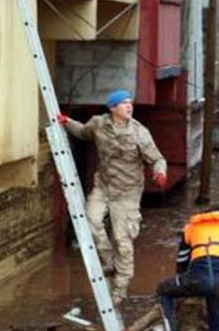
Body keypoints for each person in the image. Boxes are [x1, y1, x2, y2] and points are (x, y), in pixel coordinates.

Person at [58, 90, 167, 305]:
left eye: (130, 103)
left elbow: (157, 158)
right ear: (112, 108)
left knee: (123, 240)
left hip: (127, 193)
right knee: (89, 221)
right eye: (124, 103)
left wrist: (160, 172)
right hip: (104, 187)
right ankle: (108, 261)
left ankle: (120, 289)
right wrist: (66, 121)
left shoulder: (139, 133)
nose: (129, 107)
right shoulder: (99, 124)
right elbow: (83, 133)